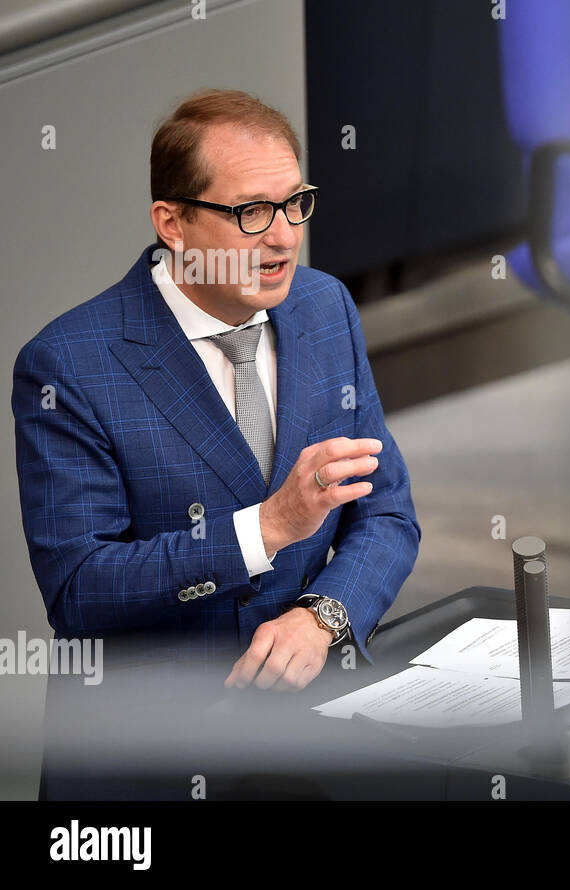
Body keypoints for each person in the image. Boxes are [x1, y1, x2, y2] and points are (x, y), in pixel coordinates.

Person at [12, 89, 421, 695]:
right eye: (251, 212)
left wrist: (321, 619)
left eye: (295, 204)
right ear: (172, 223)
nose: (283, 238)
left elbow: (385, 512)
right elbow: (80, 590)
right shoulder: (69, 365)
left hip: (314, 731)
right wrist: (265, 529)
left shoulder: (324, 306)